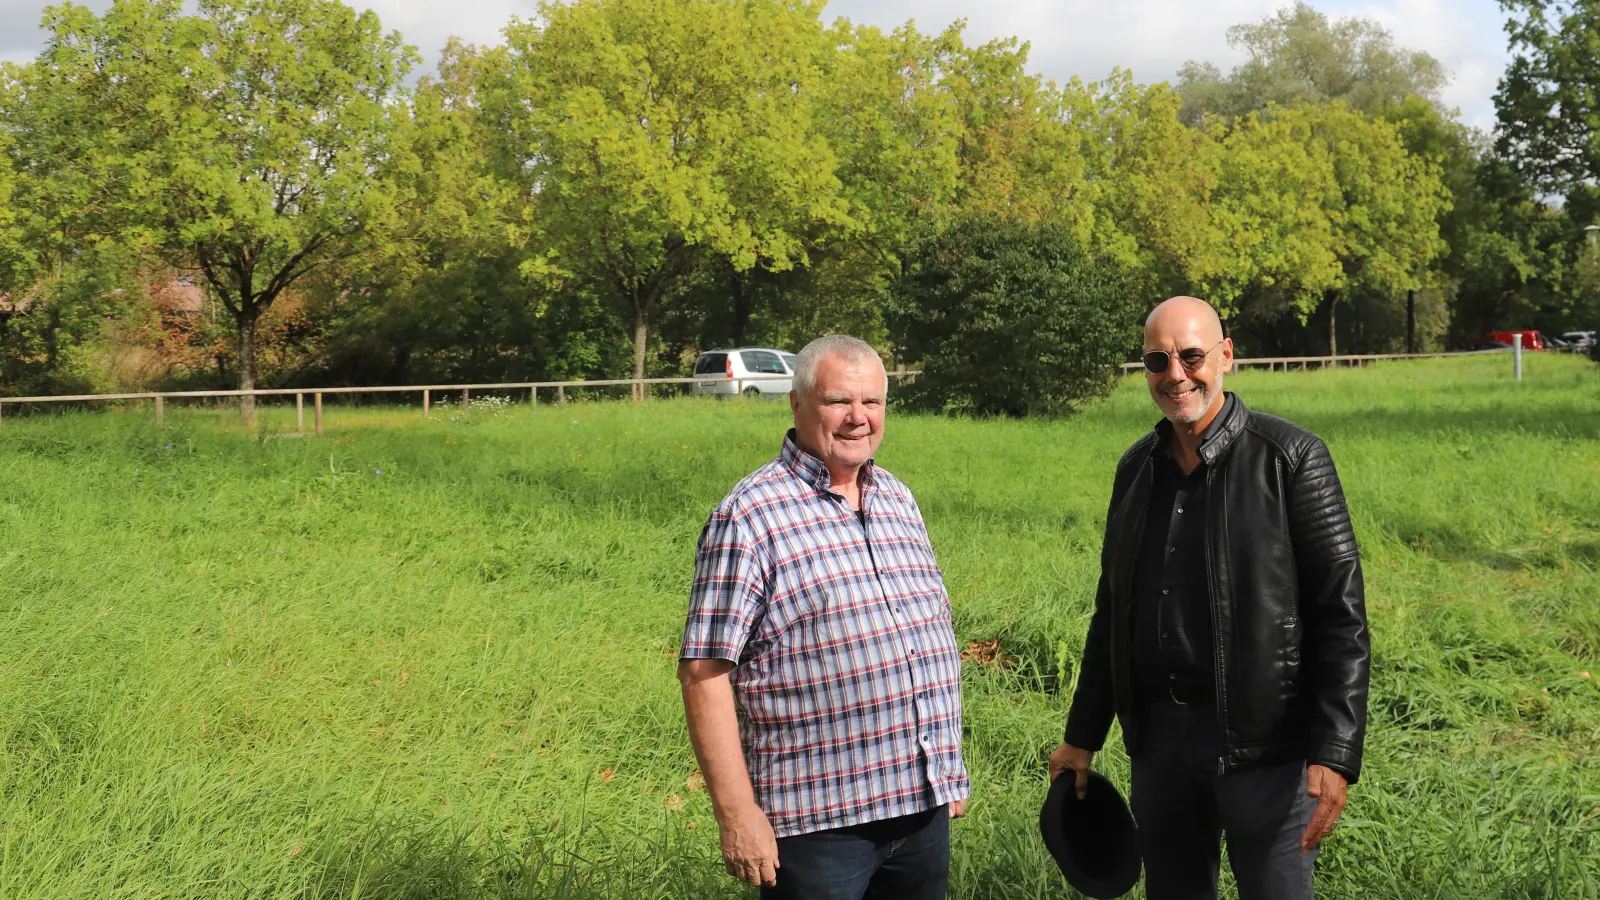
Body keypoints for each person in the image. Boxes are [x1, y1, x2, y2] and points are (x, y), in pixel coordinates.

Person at [1049, 296, 1371, 899]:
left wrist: (1335, 751)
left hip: (1268, 755)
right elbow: (1112, 615)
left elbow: (1341, 617)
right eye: (1157, 360)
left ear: (1225, 356)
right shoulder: (1136, 470)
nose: (1175, 375)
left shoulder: (1292, 460)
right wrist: (1081, 736)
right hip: (1161, 754)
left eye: (1191, 356)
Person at [678, 334, 969, 900]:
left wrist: (947, 770)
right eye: (839, 401)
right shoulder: (748, 517)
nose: (858, 418)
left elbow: (927, 636)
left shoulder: (897, 500)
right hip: (817, 827)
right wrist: (738, 814)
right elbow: (703, 673)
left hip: (920, 813)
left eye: (873, 402)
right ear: (798, 403)